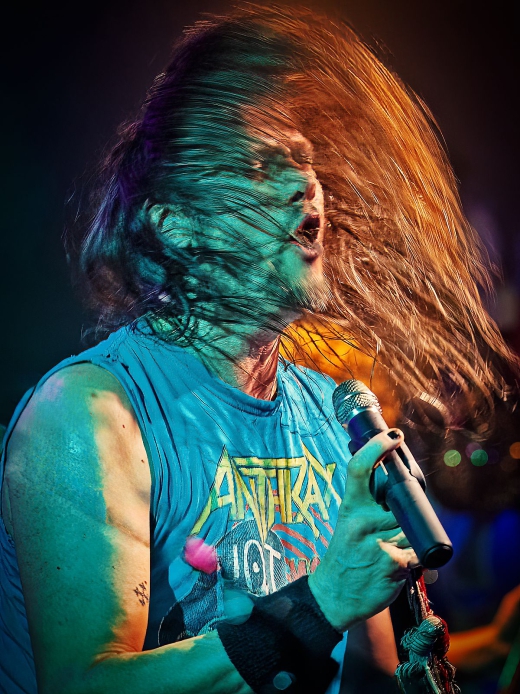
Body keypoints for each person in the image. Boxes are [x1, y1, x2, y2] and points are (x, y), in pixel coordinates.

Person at [1, 6, 517, 694]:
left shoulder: (330, 416)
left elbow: (363, 668)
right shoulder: (89, 417)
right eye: (258, 167)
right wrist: (321, 603)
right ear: (175, 224)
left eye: (303, 160)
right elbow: (83, 685)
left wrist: (429, 656)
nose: (305, 183)